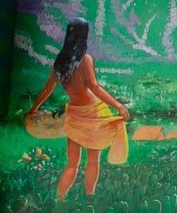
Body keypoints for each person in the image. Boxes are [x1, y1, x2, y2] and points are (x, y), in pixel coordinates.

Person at [26, 21, 130, 199]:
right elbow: (95, 87)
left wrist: (34, 109)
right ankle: (89, 198)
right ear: (84, 36)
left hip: (74, 113)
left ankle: (59, 200)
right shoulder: (85, 59)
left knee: (72, 164)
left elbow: (47, 89)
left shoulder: (60, 62)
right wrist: (118, 105)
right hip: (93, 112)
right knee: (93, 161)